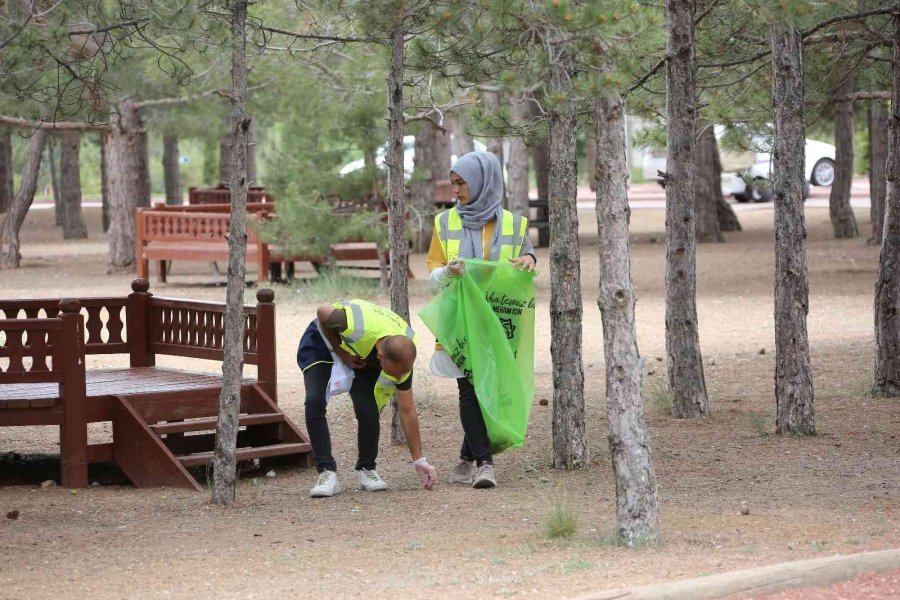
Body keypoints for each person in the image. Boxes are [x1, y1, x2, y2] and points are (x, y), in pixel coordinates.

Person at [426, 150, 536, 489]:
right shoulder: (444, 224)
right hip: (458, 321)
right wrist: (447, 271)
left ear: (483, 183)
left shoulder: (515, 224)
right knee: (468, 390)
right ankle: (484, 464)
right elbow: (432, 275)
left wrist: (530, 259)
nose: (456, 191)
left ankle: (464, 458)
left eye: (461, 184)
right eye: (454, 183)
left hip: (497, 322)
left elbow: (526, 256)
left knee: (485, 388)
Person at [297, 299, 437, 498]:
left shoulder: (403, 354)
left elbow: (407, 409)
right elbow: (322, 311)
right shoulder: (354, 325)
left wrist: (419, 460)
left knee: (367, 408)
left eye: (400, 374)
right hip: (324, 340)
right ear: (380, 356)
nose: (397, 378)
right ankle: (327, 473)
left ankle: (367, 470)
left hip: (359, 351)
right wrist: (340, 351)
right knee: (315, 402)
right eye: (394, 373)